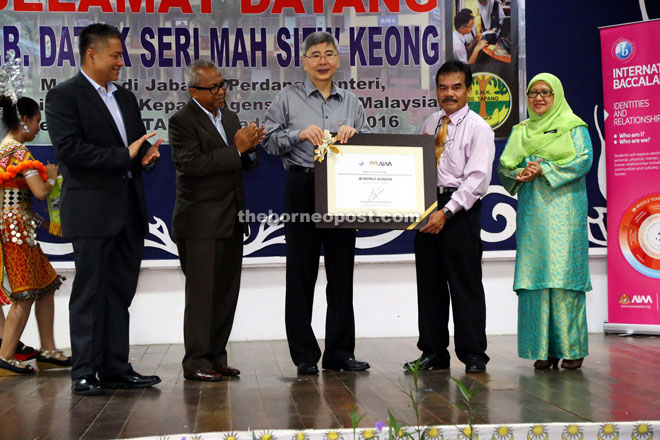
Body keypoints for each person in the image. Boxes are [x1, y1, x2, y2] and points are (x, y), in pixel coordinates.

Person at [45, 23, 163, 395]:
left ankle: (115, 367)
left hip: (128, 209)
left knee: (120, 293)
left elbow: (134, 147)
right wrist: (122, 155)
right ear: (91, 54)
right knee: (90, 293)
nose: (120, 62)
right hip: (92, 211)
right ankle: (84, 369)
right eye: (115, 55)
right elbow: (69, 151)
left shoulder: (125, 97)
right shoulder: (64, 96)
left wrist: (144, 158)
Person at [263, 31, 370, 375]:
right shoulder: (287, 98)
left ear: (338, 60)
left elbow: (369, 150)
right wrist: (297, 134)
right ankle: (305, 355)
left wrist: (356, 139)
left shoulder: (352, 102)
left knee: (341, 273)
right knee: (301, 272)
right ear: (304, 62)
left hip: (342, 189)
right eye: (315, 55)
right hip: (302, 185)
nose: (323, 61)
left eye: (329, 54)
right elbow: (267, 141)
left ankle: (340, 353)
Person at [168, 60, 263, 382]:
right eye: (214, 87)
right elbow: (192, 165)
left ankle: (216, 357)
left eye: (223, 85)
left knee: (225, 294)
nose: (221, 91)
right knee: (201, 297)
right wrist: (237, 148)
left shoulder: (230, 117)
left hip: (231, 218)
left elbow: (241, 164)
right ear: (194, 91)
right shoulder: (181, 121)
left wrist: (250, 150)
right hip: (200, 223)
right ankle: (195, 361)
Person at [404, 61, 495, 374]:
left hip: (460, 213)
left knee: (465, 285)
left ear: (468, 90)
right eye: (443, 87)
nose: (449, 94)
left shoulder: (479, 128)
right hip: (430, 208)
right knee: (428, 285)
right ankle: (433, 352)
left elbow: (477, 180)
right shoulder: (430, 122)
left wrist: (447, 211)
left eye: (456, 87)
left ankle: (473, 355)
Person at [498, 73, 592, 370]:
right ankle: (544, 349)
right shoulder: (521, 130)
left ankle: (572, 348)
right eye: (533, 93)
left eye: (546, 93)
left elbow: (583, 160)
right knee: (535, 277)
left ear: (557, 95)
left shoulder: (573, 126)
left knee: (564, 279)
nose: (538, 98)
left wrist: (546, 169)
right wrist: (520, 174)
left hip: (565, 211)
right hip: (533, 212)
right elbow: (505, 167)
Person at [0, 95, 70, 375]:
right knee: (26, 295)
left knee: (46, 286)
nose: (39, 127)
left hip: (13, 228)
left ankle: (48, 350)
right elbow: (40, 192)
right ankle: (5, 356)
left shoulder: (3, 149)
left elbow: (13, 201)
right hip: (17, 235)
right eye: (37, 121)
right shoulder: (18, 153)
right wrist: (51, 177)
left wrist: (42, 224)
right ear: (24, 121)